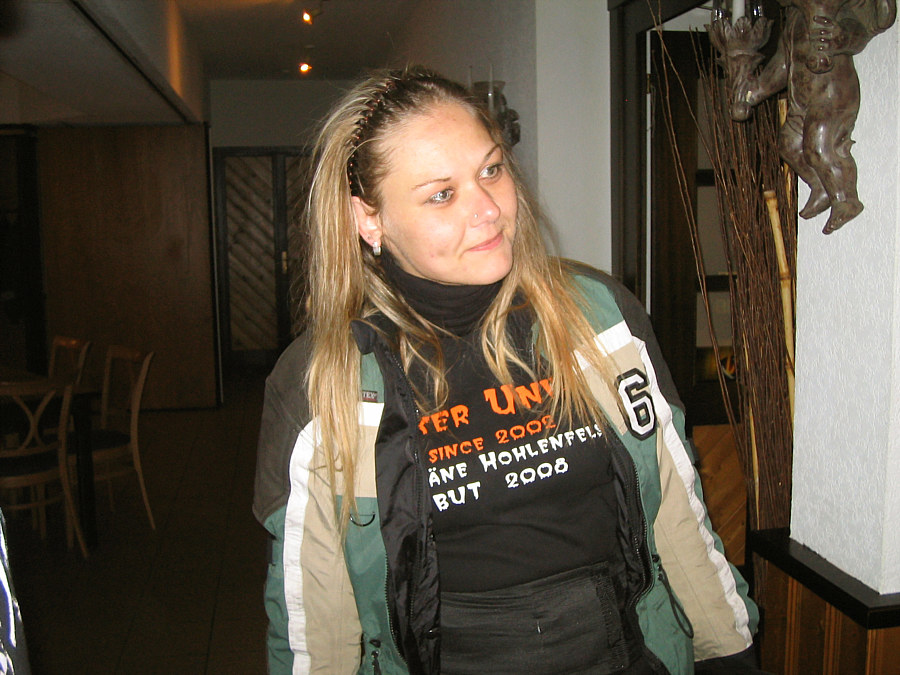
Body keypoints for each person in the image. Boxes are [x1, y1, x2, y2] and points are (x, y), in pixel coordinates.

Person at [253, 66, 761, 675]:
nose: (489, 209)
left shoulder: (600, 316)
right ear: (370, 219)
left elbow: (676, 507)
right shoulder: (324, 379)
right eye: (442, 195)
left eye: (491, 170)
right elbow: (315, 608)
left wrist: (728, 649)